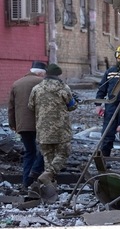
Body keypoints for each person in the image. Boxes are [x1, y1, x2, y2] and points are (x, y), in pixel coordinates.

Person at [28, 63, 78, 201]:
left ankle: (49, 190)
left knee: (48, 158)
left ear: (46, 74)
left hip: (43, 130)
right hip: (61, 130)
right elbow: (72, 106)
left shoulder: (36, 89)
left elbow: (31, 106)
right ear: (58, 75)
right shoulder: (63, 88)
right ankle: (48, 175)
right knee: (63, 153)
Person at [8, 61, 46, 188]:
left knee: (29, 151)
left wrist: (13, 124)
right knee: (46, 150)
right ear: (41, 73)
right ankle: (36, 174)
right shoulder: (42, 83)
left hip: (23, 125)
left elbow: (11, 107)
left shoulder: (16, 84)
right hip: (41, 124)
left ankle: (26, 182)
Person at [95, 44, 120, 158]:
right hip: (111, 107)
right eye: (119, 58)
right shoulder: (110, 72)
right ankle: (104, 159)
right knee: (107, 135)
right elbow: (102, 89)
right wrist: (98, 104)